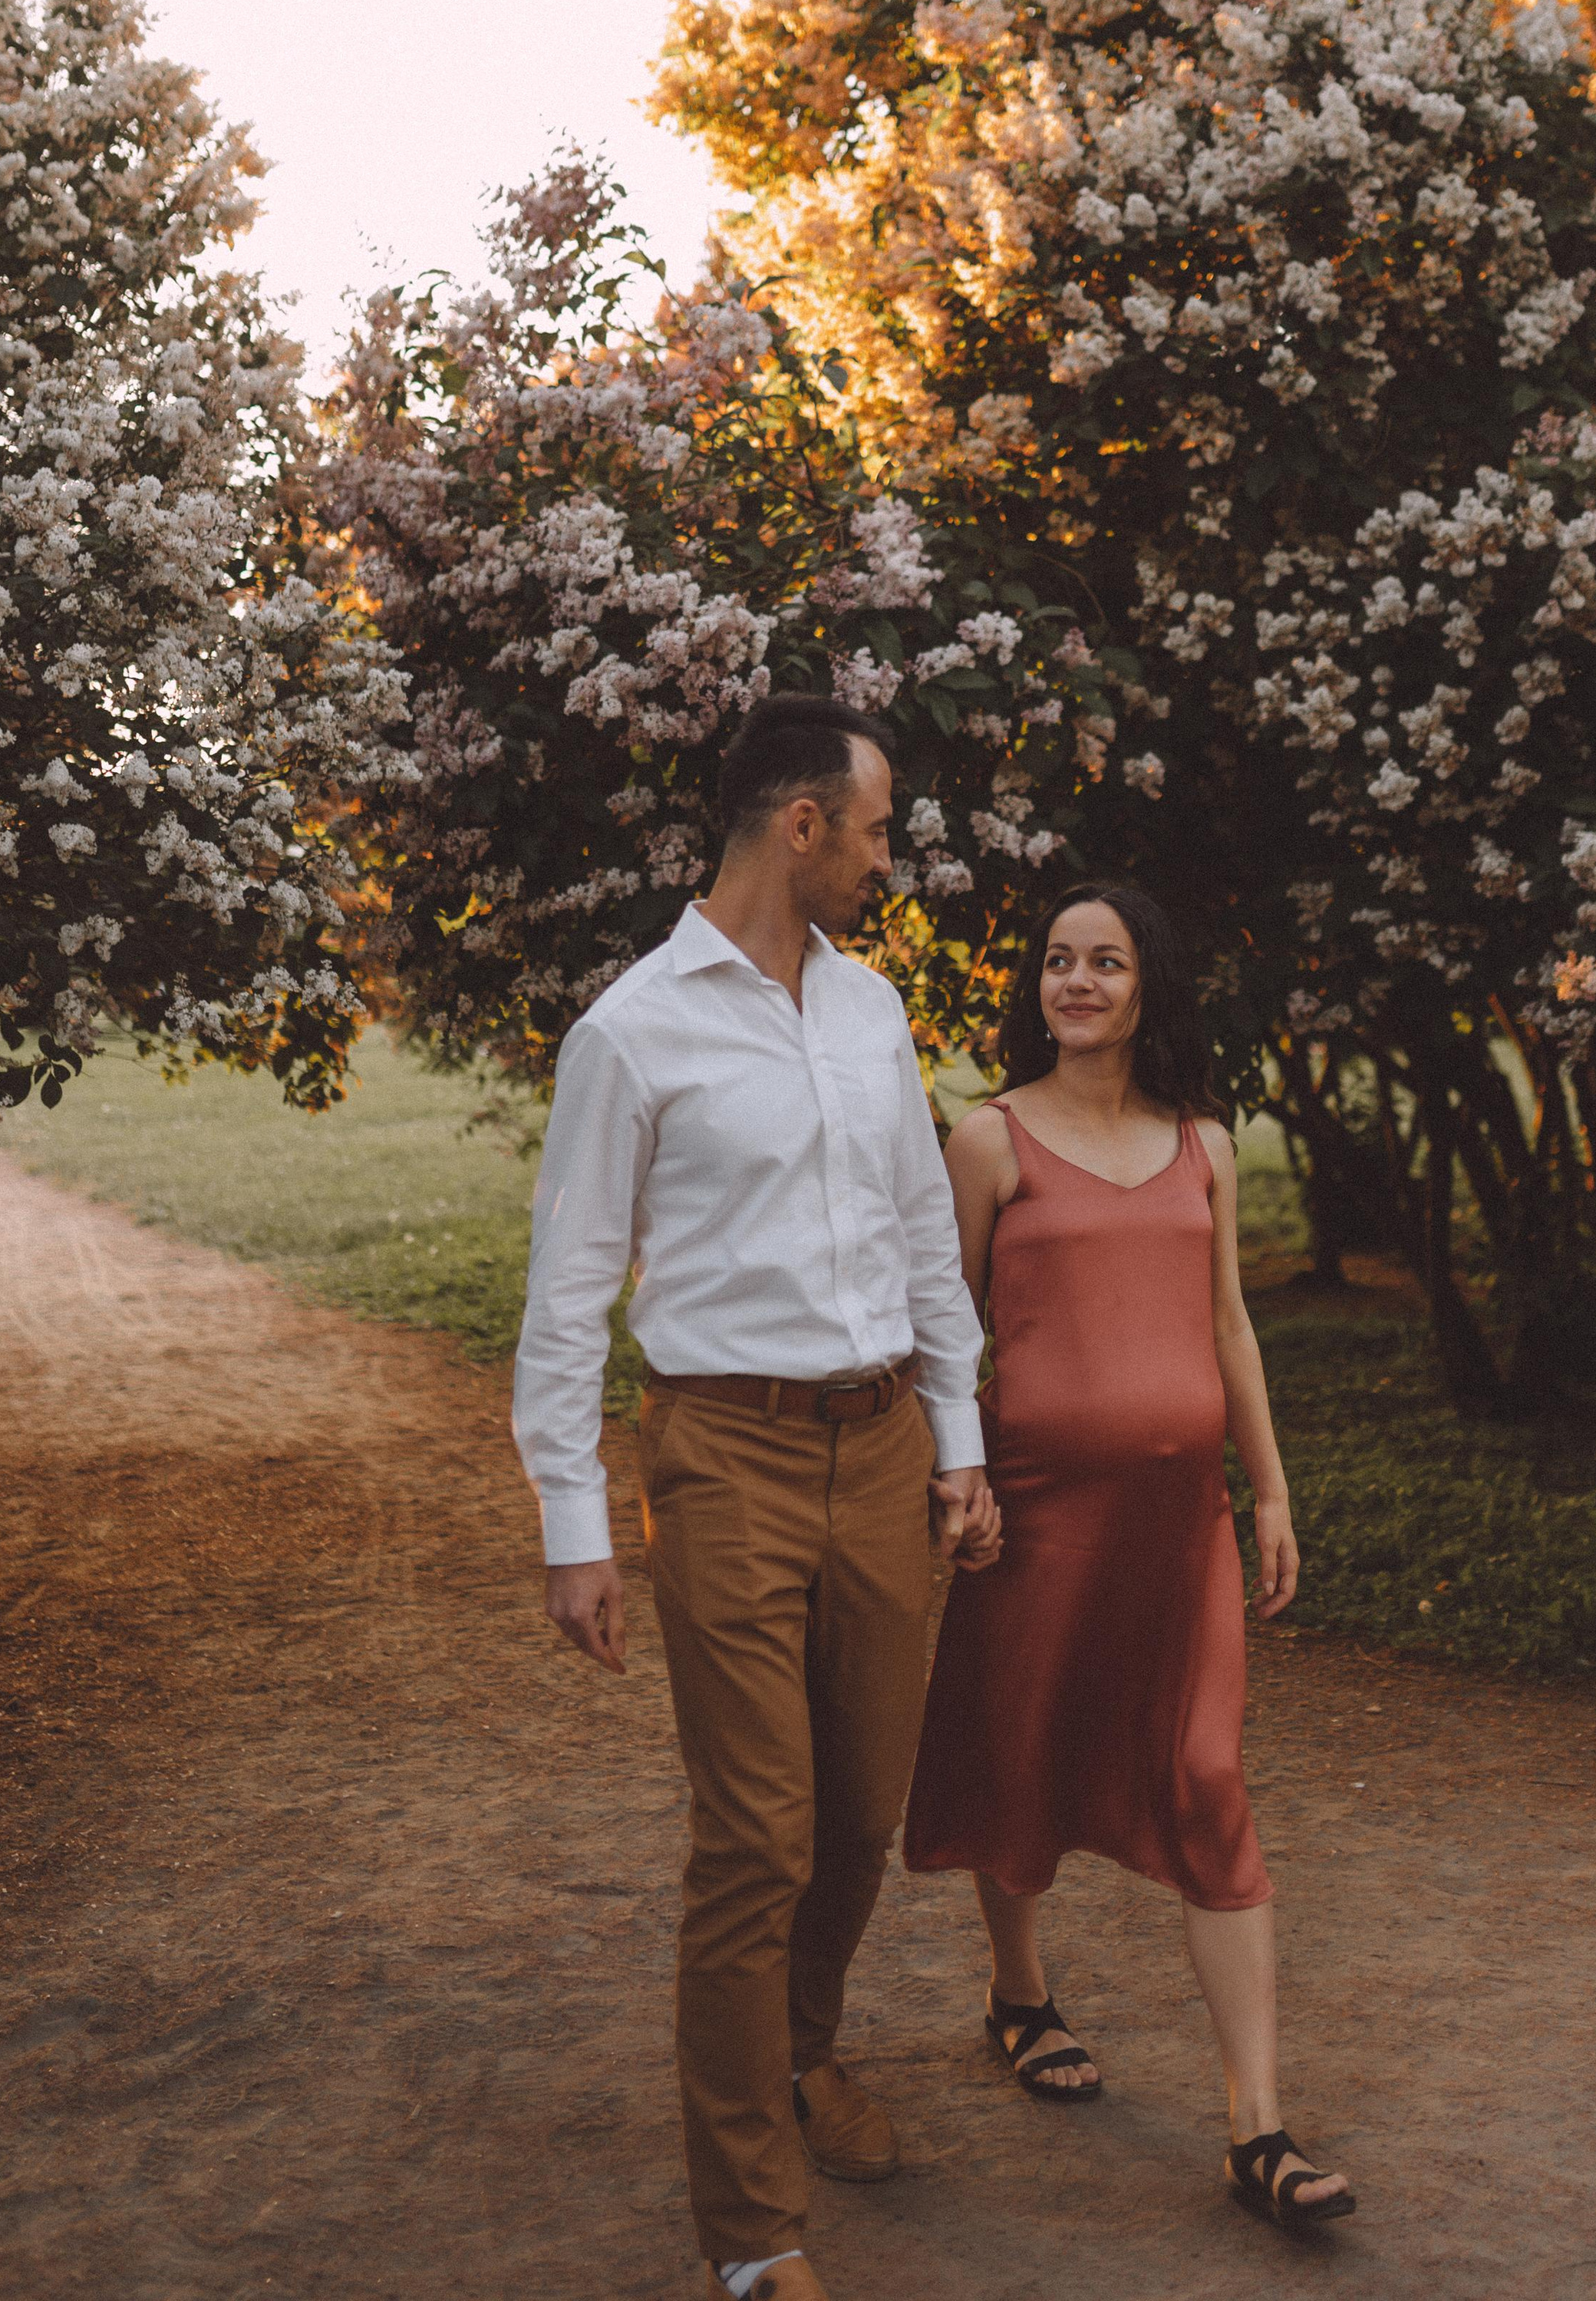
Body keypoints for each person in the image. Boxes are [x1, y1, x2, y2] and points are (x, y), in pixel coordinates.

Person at [514, 695, 1001, 2301]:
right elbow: (569, 1295)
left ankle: (794, 2057)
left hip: (876, 1452)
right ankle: (750, 2228)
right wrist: (575, 1533)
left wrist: (955, 1436)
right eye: (872, 829)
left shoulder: (869, 1014)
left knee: (860, 1811)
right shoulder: (631, 1033)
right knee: (755, 1840)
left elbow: (924, 1232)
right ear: (799, 826)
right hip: (719, 1456)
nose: (884, 859)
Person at [902, 881, 1357, 2233]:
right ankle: (1021, 1991)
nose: (1079, 981)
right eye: (1058, 961)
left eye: (1106, 962)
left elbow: (1227, 1332)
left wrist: (1268, 1490)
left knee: (1208, 1775)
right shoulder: (987, 1139)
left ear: (1148, 982)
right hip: (1036, 1516)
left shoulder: (1202, 1144)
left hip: (1181, 1531)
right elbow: (942, 1325)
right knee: (1023, 1748)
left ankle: (1256, 2128)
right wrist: (955, 1471)